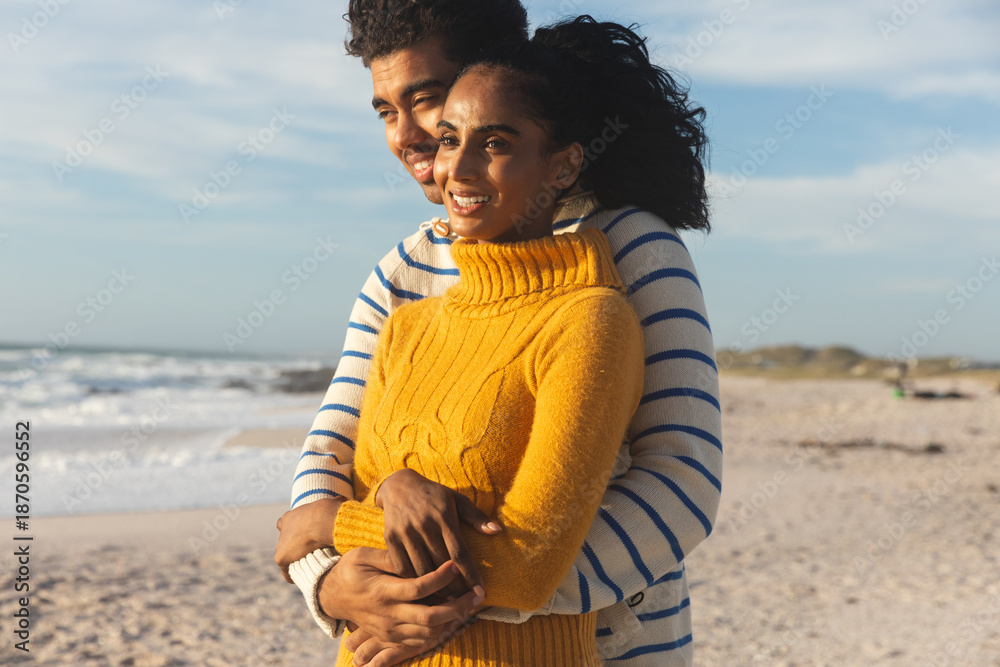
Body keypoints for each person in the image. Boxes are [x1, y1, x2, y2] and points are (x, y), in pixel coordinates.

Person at [275, 3, 723, 665]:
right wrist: (332, 582)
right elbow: (329, 460)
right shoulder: (398, 277)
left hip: (619, 648)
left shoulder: (630, 250)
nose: (407, 135)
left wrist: (457, 599)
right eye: (384, 111)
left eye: (425, 99)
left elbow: (682, 479)